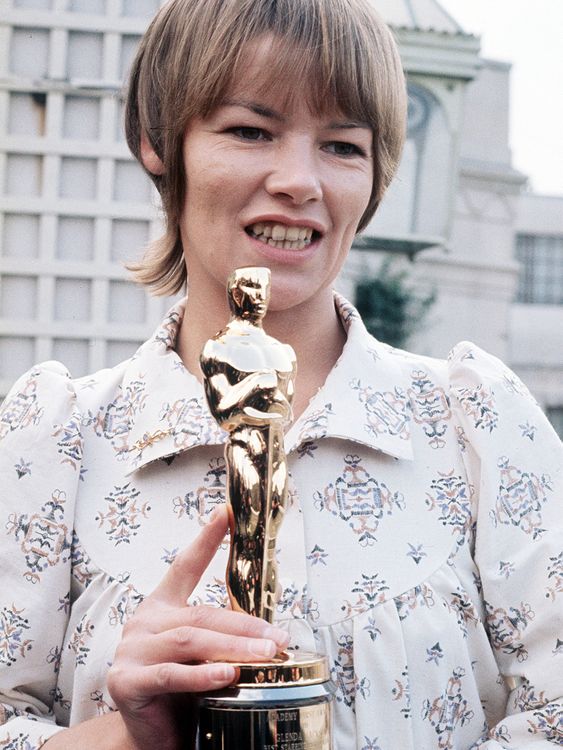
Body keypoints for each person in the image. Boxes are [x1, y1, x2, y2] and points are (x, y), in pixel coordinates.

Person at [0, 0, 561, 748]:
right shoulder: (59, 439)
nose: (299, 180)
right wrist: (128, 736)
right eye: (249, 130)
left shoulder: (473, 425)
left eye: (341, 145)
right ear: (157, 144)